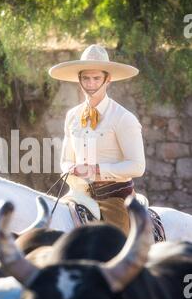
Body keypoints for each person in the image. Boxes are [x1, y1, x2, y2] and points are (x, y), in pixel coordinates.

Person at [48, 44, 145, 235]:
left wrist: (96, 170)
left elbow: (137, 166)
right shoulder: (72, 116)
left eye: (96, 78)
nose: (91, 84)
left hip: (114, 196)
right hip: (78, 194)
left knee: (115, 245)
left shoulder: (123, 118)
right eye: (86, 78)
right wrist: (71, 169)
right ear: (79, 79)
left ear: (107, 79)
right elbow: (65, 160)